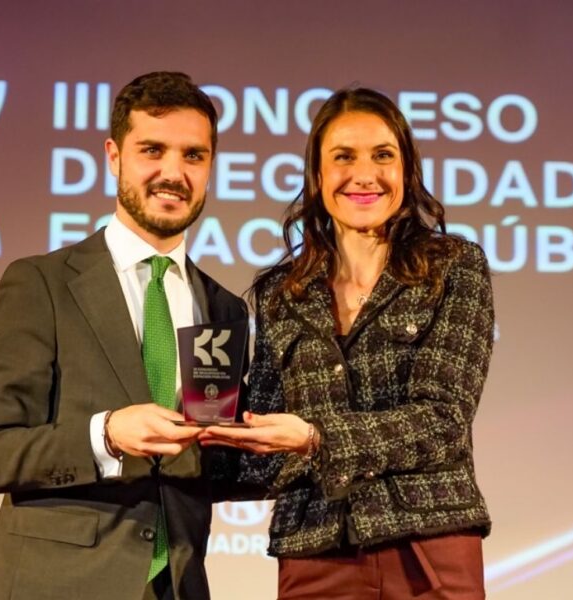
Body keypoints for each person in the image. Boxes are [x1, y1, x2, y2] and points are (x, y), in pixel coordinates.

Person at [0, 71, 248, 600]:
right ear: (114, 156)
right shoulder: (42, 284)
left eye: (193, 155)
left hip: (176, 585)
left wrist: (294, 439)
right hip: (55, 586)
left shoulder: (224, 308)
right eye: (152, 150)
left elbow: (211, 466)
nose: (173, 173)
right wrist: (107, 435)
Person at [200, 87, 495, 599]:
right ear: (317, 175)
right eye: (343, 157)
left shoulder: (453, 267)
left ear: (406, 170)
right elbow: (264, 445)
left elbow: (444, 420)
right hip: (314, 548)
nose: (364, 174)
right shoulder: (281, 294)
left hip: (427, 544)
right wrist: (192, 437)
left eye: (382, 155)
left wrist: (316, 438)